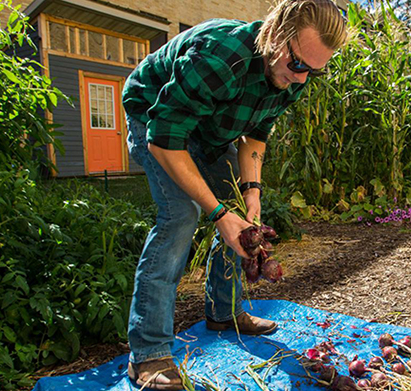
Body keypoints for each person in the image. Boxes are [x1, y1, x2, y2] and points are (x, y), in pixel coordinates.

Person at [121, 1, 348, 389]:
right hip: (155, 122)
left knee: (241, 217)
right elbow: (165, 139)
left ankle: (223, 312)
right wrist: (217, 214)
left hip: (210, 132)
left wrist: (251, 194)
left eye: (315, 70)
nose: (303, 79)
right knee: (181, 216)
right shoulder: (220, 57)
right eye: (298, 66)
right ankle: (148, 353)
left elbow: (255, 135)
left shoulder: (291, 75)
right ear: (276, 37)